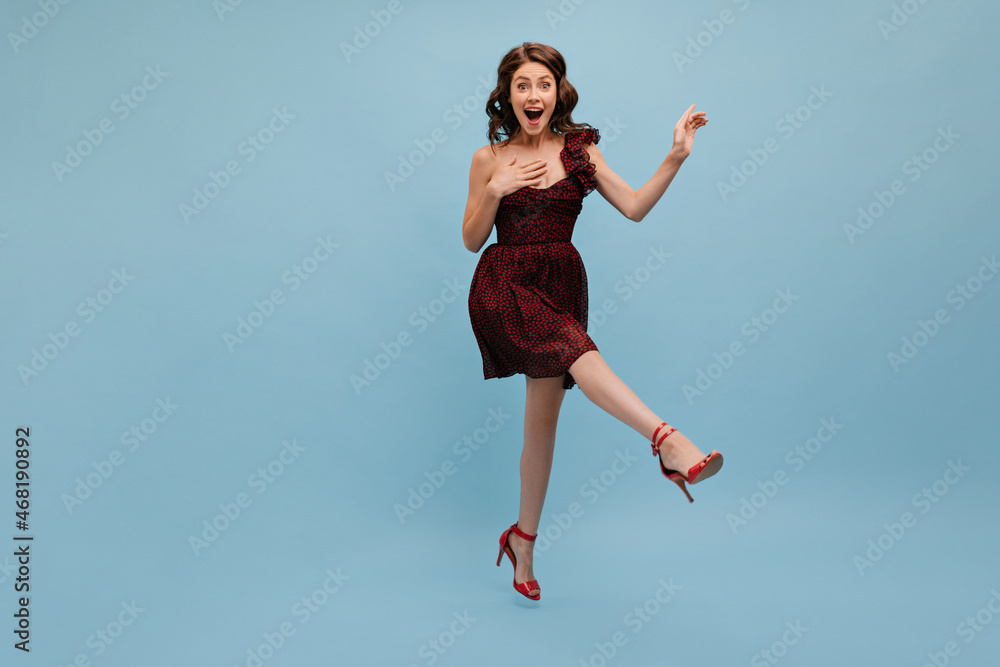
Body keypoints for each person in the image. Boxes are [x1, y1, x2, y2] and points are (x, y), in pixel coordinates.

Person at [462, 42, 722, 601]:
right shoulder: (489, 159)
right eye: (523, 85)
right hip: (504, 283)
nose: (534, 94)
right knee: (578, 352)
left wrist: (675, 156)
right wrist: (495, 190)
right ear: (507, 95)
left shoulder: (582, 152)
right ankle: (668, 442)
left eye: (544, 84)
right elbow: (470, 239)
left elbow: (633, 207)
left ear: (560, 92)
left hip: (561, 283)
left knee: (542, 424)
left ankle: (522, 540)